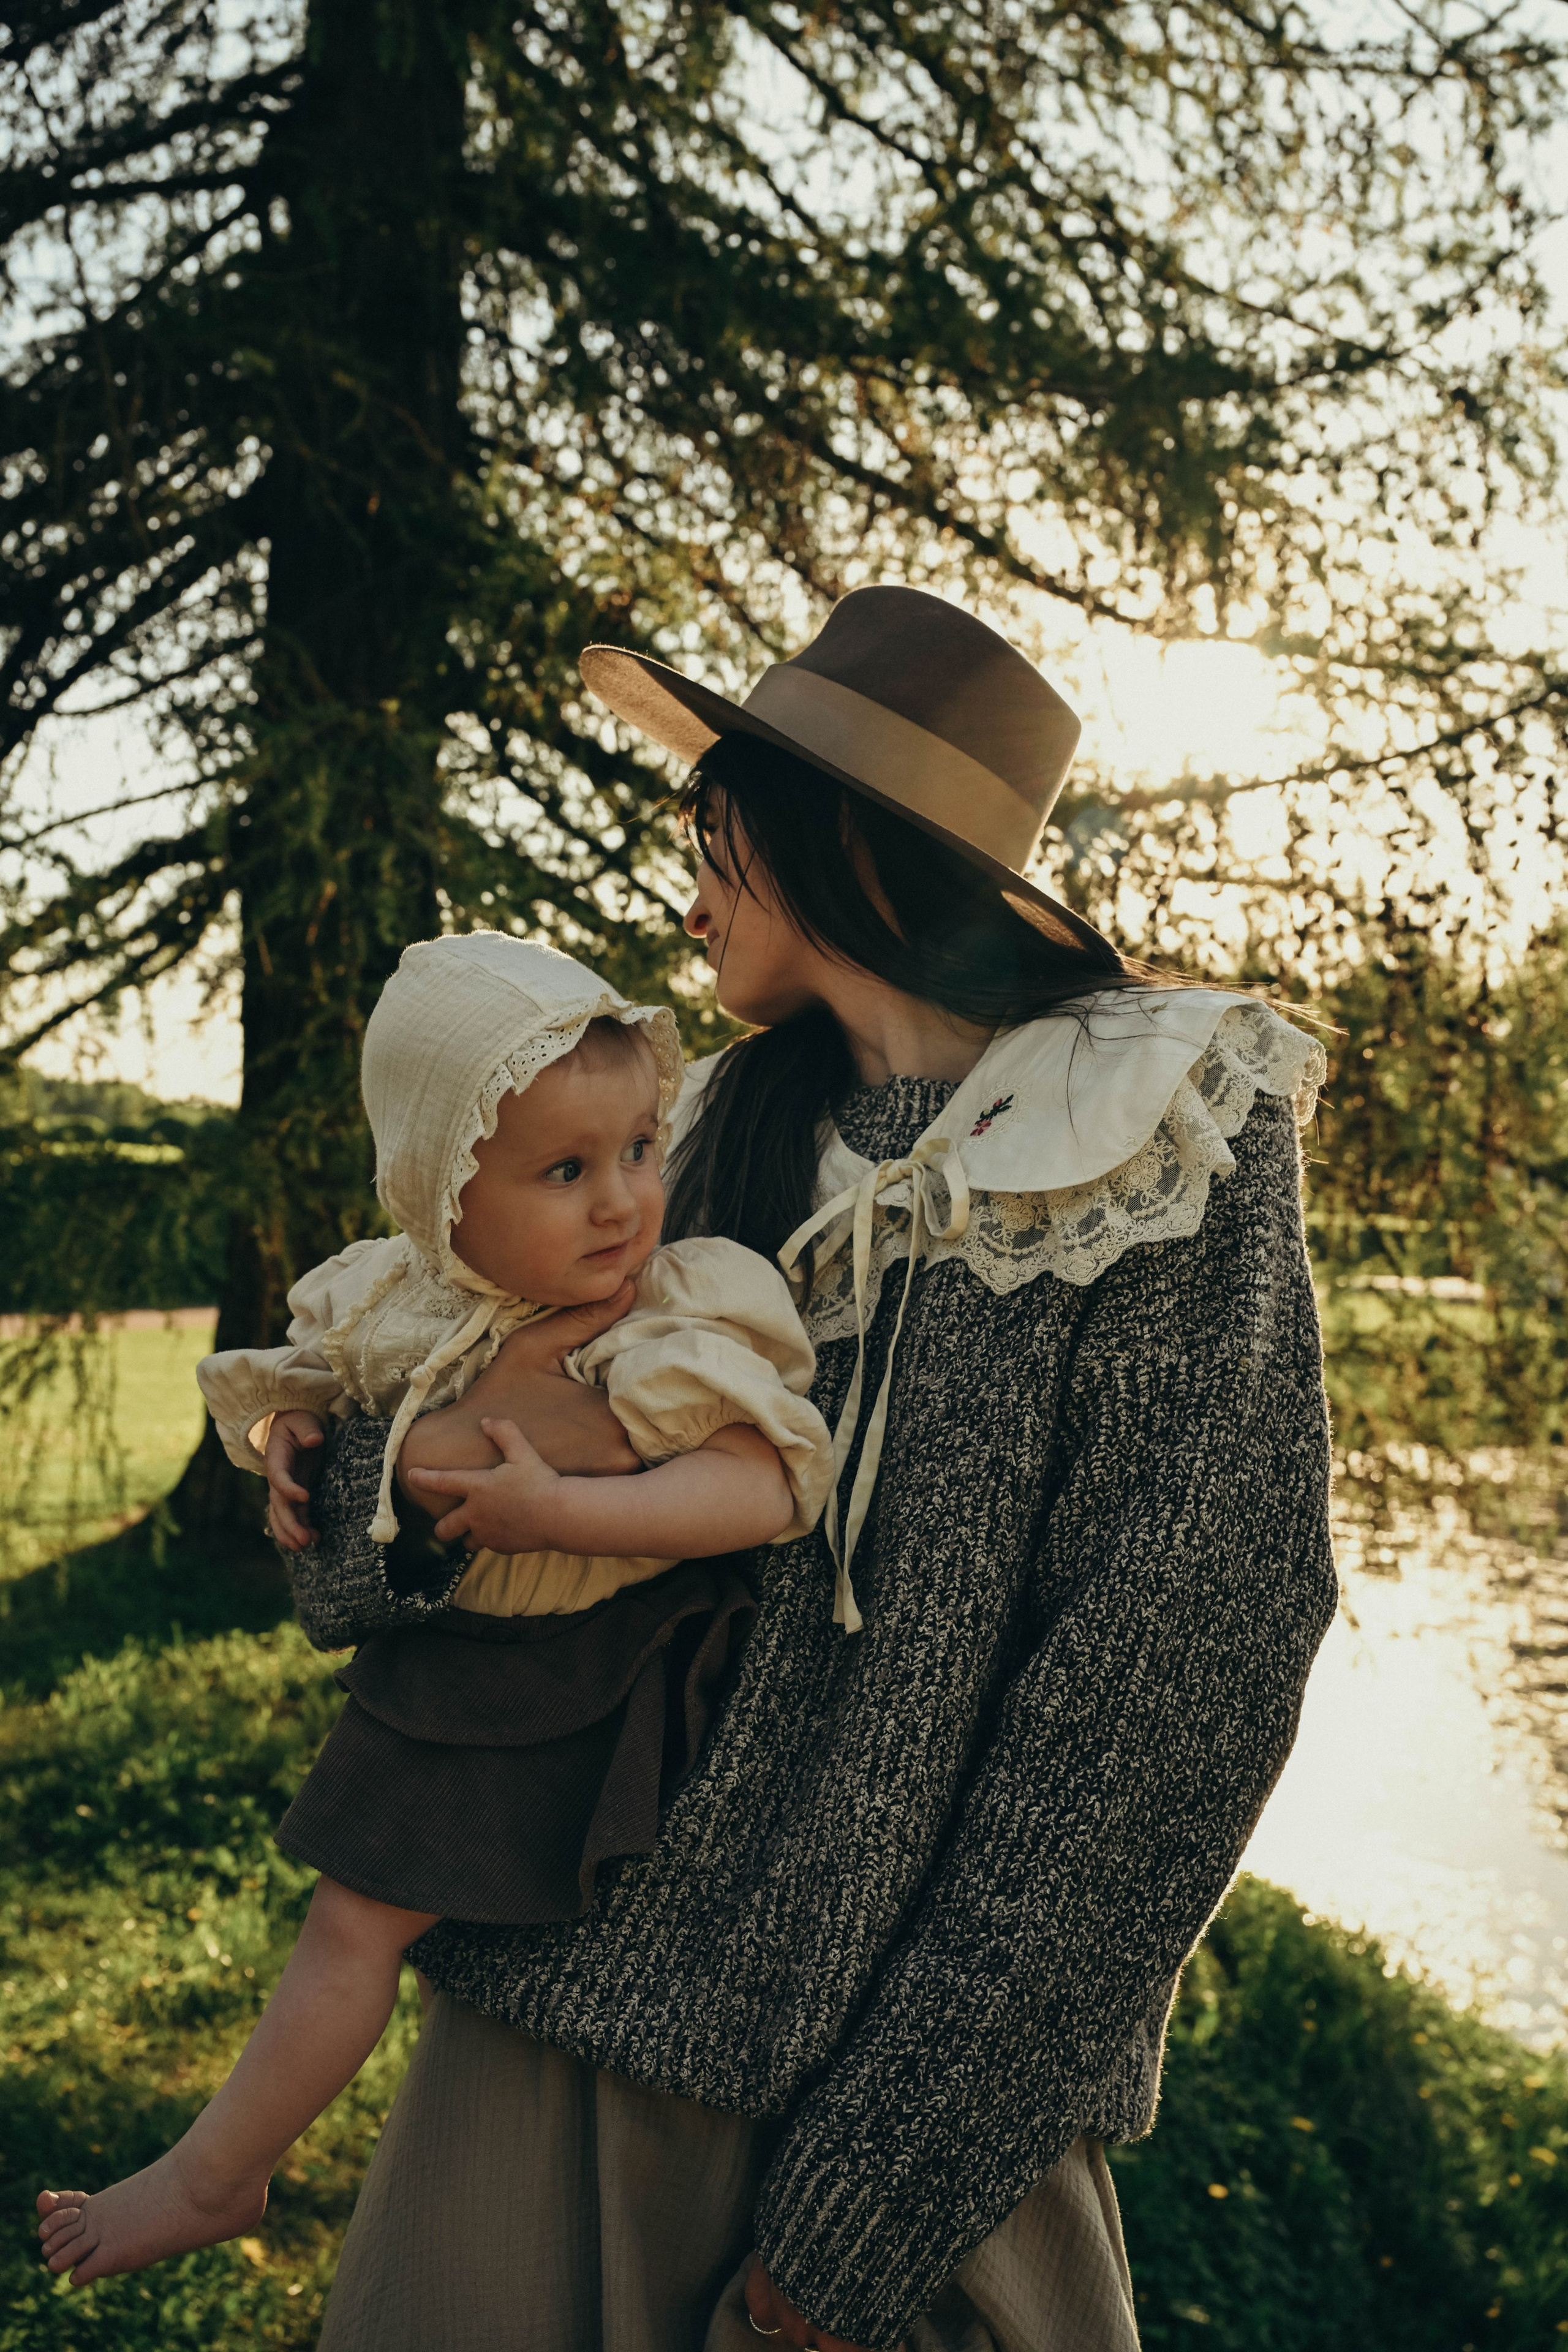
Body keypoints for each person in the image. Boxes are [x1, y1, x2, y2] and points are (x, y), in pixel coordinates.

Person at [164, 586, 1340, 2351]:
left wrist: (879, 2199)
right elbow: (429, 1466)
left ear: (832, 834)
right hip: (549, 2042)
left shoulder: (1161, 1134)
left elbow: (1178, 1688)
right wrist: (359, 1493)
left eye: (714, 823)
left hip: (925, 2144)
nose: (689, 876)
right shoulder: (687, 1133)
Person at [35, 932, 833, 2290]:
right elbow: (310, 1382)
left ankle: (216, 2172)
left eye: (640, 1149)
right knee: (353, 1928)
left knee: (357, 1923)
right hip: (467, 1658)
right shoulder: (404, 1294)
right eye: (565, 1172)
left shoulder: (671, 1313)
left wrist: (570, 1513)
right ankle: (227, 2170)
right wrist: (291, 1434)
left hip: (593, 1660)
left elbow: (764, 1485)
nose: (621, 1204)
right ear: (439, 1198)